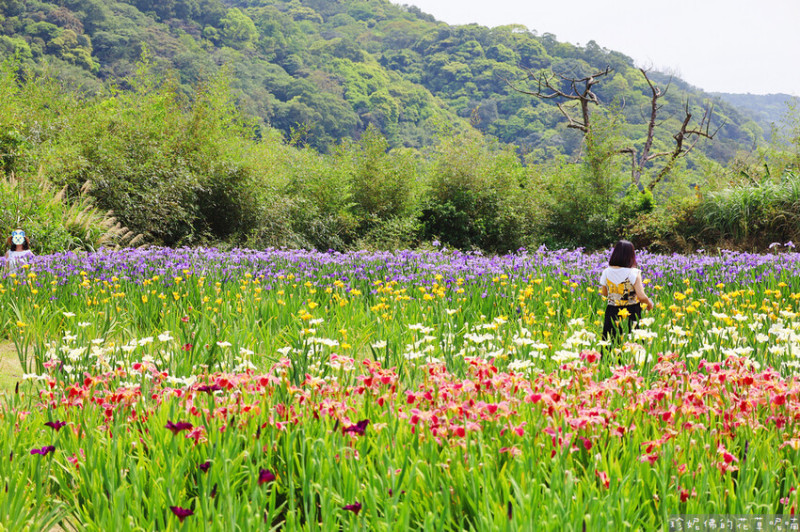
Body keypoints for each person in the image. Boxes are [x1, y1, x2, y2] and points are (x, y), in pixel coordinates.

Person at [599, 240, 653, 343]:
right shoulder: (634, 272)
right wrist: (649, 303)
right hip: (631, 311)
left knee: (611, 342)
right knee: (633, 343)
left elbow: (604, 293)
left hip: (612, 310)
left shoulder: (606, 272)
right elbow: (641, 296)